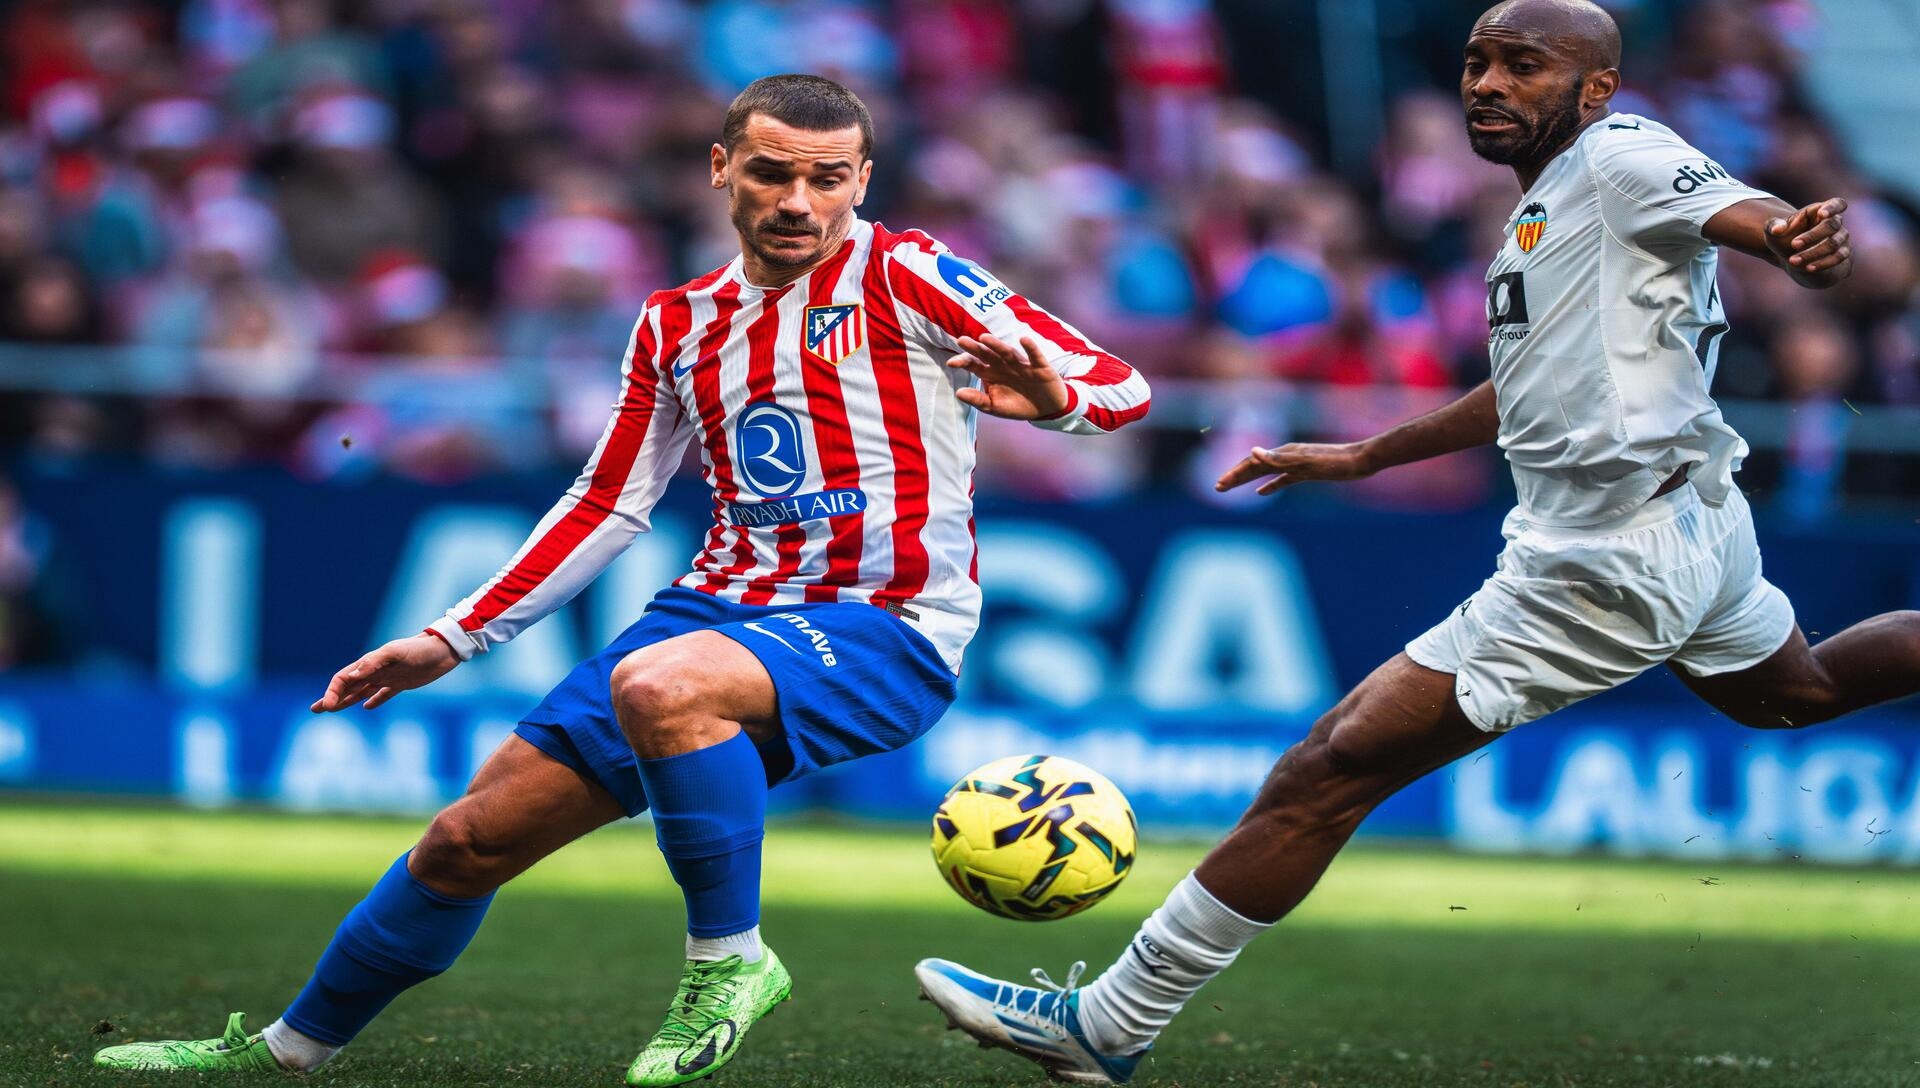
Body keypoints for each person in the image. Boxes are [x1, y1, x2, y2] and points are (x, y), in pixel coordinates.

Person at [913, 2, 1918, 1083]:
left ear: (1594, 90)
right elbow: (1526, 387)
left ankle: (1109, 1019)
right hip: (1690, 519)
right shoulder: (1544, 211)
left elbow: (1739, 208)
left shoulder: (1622, 154)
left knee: (1327, 767)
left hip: (1609, 554)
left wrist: (1788, 239)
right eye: (1478, 62)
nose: (1485, 83)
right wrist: (1365, 454)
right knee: (1794, 689)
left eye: (1522, 66)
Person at [93, 74, 1150, 1085]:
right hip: (720, 605)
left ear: (863, 181)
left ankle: (730, 959)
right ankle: (286, 1048)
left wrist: (1057, 400)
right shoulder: (677, 320)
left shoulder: (907, 271)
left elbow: (1122, 385)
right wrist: (453, 637)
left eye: (828, 178)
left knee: (664, 686)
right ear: (720, 167)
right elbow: (609, 501)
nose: (799, 201)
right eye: (773, 173)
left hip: (885, 622)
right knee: (468, 838)